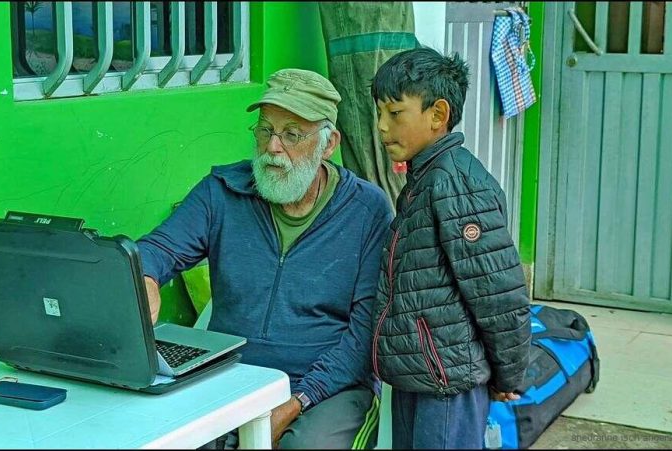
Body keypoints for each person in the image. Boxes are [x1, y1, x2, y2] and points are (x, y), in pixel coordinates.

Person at [136, 68, 393, 449]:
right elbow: (157, 249)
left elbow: (364, 336)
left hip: (328, 386)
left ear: (329, 144)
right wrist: (146, 276)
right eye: (265, 130)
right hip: (232, 375)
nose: (273, 146)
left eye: (292, 134)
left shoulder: (366, 211)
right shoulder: (222, 193)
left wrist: (296, 402)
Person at [370, 47, 531, 449]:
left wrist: (509, 374)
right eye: (379, 113)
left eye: (395, 113)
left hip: (448, 382)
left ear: (437, 115)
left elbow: (498, 293)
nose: (382, 127)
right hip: (420, 373)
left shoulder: (455, 184)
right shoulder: (423, 180)